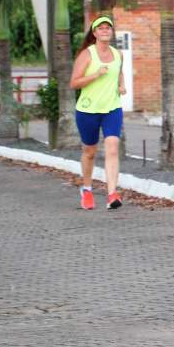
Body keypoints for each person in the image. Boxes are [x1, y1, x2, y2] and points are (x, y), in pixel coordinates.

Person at [69, 15, 126, 210]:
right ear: (94, 33)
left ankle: (112, 194)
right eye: (100, 28)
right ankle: (86, 189)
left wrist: (122, 85)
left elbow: (119, 71)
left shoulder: (118, 54)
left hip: (112, 109)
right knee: (90, 152)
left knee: (112, 147)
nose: (104, 30)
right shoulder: (87, 55)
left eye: (107, 28)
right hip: (88, 110)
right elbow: (74, 83)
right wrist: (96, 75)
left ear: (111, 32)